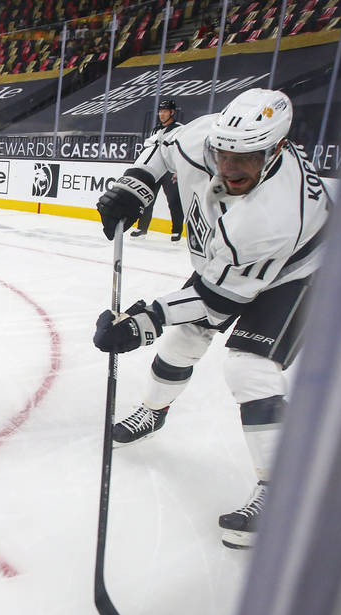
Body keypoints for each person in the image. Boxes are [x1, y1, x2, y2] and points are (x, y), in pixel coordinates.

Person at [93, 88, 329, 549]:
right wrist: (133, 186)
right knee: (183, 340)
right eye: (225, 154)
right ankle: (154, 412)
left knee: (249, 366)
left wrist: (141, 322)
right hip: (229, 267)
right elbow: (162, 148)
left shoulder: (274, 216)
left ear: (277, 148)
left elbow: (215, 301)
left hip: (301, 269)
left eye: (248, 158)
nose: (231, 167)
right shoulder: (204, 138)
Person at [133, 99, 184, 241]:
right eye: (160, 111)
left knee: (174, 201)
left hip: (169, 170)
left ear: (172, 112)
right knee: (147, 199)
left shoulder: (179, 128)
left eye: (165, 111)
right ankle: (142, 228)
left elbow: (179, 150)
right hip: (155, 169)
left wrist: (177, 170)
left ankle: (176, 231)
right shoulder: (156, 129)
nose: (161, 114)